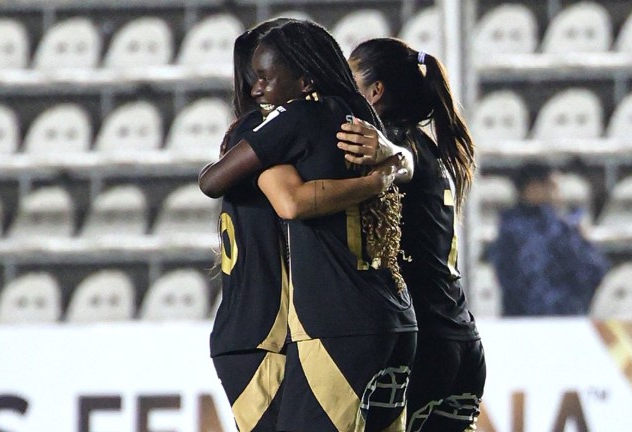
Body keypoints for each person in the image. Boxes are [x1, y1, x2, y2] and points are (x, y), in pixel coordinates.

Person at [201, 20, 417, 432]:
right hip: (393, 316)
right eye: (256, 76)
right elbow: (407, 163)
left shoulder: (283, 125)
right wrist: (390, 168)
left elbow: (289, 202)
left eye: (266, 76)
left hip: (296, 326)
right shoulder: (365, 119)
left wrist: (377, 180)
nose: (258, 89)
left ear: (303, 78)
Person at [348, 38, 486, 431]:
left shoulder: (396, 143)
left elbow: (401, 161)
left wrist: (387, 154)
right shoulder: (432, 149)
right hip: (462, 340)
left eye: (350, 79)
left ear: (375, 91)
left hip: (424, 345)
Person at [487, 161, 610, 316]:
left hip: (567, 316)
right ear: (534, 188)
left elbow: (593, 270)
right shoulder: (513, 230)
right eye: (553, 186)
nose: (559, 194)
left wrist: (582, 239)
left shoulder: (564, 225)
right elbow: (525, 280)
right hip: (526, 319)